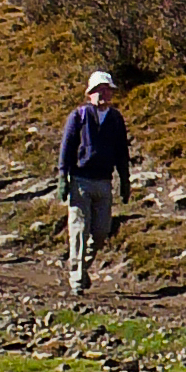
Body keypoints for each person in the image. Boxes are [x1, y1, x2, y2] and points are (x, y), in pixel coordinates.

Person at [56, 71, 133, 295]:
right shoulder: (79, 115)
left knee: (101, 231)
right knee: (79, 230)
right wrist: (63, 177)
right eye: (99, 89)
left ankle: (81, 267)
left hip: (104, 182)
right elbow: (67, 147)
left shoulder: (116, 119)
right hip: (80, 180)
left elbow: (122, 151)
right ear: (90, 93)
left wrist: (125, 179)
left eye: (106, 89)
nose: (103, 93)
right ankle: (77, 279)